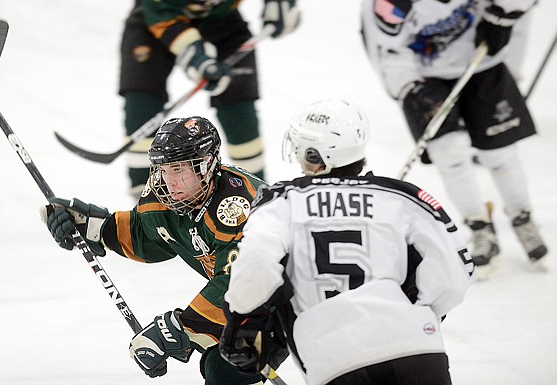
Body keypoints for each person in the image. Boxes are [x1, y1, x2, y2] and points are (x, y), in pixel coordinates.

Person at [218, 99, 475, 385]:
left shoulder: (280, 202)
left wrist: (243, 319)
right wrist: (410, 314)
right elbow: (455, 273)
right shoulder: (403, 197)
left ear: (315, 156)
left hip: (334, 357)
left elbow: (256, 266)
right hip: (417, 348)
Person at [42, 116, 286, 384]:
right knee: (225, 367)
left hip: (302, 298)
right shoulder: (167, 199)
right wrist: (96, 228)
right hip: (262, 306)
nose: (170, 181)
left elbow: (242, 282)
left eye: (179, 169)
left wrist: (178, 328)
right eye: (164, 170)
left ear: (206, 165)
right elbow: (147, 235)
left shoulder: (238, 206)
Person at [360, 0, 548, 273]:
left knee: (500, 152)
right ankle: (480, 226)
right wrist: (410, 88)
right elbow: (387, 51)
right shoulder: (389, 4)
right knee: (450, 154)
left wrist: (504, 14)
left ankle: (522, 217)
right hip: (424, 76)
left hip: (484, 62)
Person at [120, 0, 300, 196]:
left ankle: (254, 190)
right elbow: (159, 9)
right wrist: (193, 55)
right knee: (142, 96)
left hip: (222, 19)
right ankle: (146, 194)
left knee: (238, 104)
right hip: (157, 14)